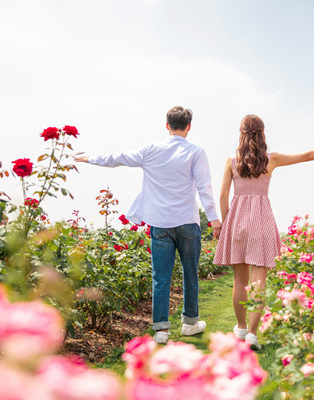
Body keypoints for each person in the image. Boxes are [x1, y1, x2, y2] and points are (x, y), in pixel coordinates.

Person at [74, 106, 222, 344]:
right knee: (190, 274)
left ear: (167, 125)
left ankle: (161, 331)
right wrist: (214, 218)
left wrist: (89, 158)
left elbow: (117, 158)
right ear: (189, 126)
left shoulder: (151, 151)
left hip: (160, 224)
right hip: (187, 222)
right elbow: (205, 188)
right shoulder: (196, 152)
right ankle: (190, 324)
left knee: (160, 277)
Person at [213, 114, 314, 349]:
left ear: (241, 133)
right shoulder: (271, 159)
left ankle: (240, 328)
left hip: (236, 220)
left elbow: (222, 195)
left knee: (240, 280)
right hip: (261, 220)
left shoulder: (231, 161)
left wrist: (226, 221)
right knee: (258, 281)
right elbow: (307, 156)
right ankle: (252, 334)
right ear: (262, 133)